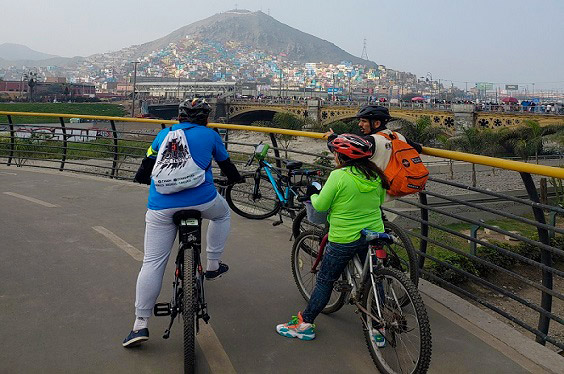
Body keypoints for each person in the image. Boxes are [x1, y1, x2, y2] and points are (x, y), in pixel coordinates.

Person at [123, 98, 242, 348]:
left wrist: (144, 181)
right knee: (222, 214)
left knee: (153, 262)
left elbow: (146, 166)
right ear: (205, 118)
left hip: (161, 206)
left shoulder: (164, 134)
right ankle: (211, 264)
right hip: (203, 201)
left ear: (180, 117)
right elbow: (227, 166)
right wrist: (236, 179)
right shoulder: (210, 136)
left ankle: (139, 325)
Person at [276, 134, 389, 341]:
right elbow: (379, 200)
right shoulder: (375, 175)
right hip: (374, 233)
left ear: (340, 156)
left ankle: (305, 324)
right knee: (375, 281)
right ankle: (379, 327)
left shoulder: (339, 176)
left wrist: (312, 194)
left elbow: (320, 206)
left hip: (345, 236)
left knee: (325, 280)